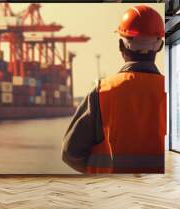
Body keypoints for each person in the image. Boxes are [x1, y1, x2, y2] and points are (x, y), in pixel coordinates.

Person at [62, 5, 166, 174]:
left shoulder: (102, 92)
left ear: (121, 45)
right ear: (159, 46)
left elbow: (70, 153)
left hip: (109, 193)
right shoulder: (171, 92)